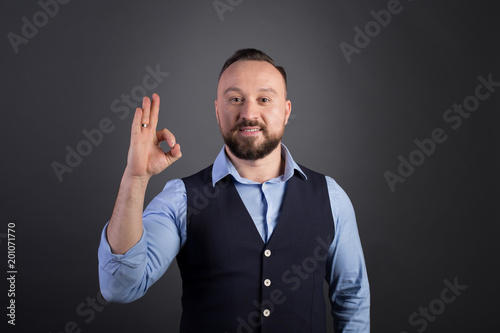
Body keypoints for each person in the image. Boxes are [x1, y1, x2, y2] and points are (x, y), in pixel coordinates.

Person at [98, 48, 370, 332]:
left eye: (264, 99)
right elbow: (118, 287)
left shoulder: (331, 197)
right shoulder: (181, 198)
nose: (249, 113)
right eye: (235, 99)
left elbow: (352, 299)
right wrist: (135, 178)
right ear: (217, 110)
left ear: (286, 111)